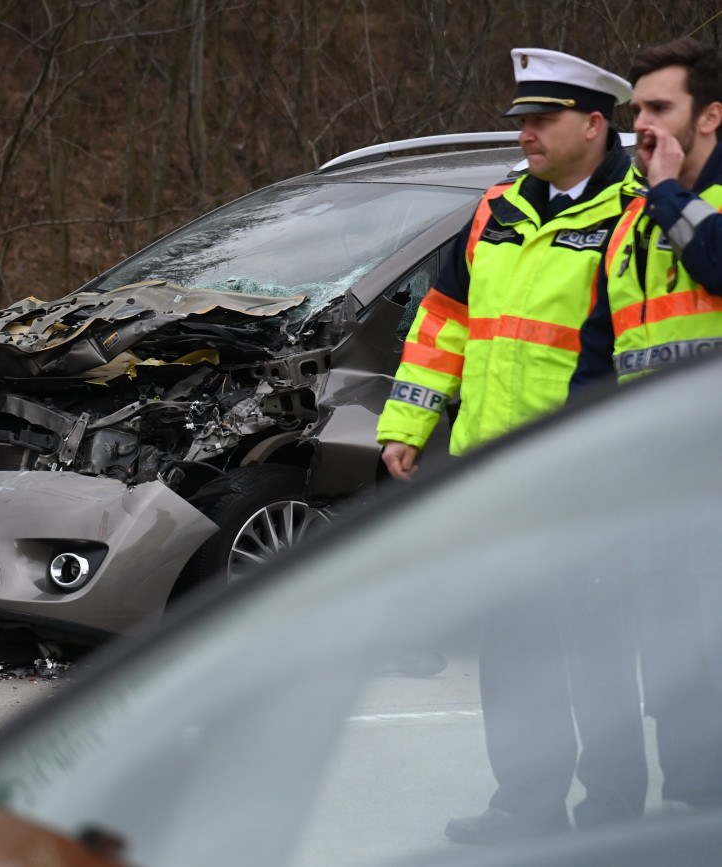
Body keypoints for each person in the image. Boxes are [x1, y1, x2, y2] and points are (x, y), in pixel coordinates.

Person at [375, 48, 648, 843]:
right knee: (514, 648)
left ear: (595, 124)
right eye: (521, 120)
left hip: (585, 477)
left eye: (542, 119)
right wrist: (407, 423)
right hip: (491, 473)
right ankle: (525, 804)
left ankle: (612, 815)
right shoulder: (497, 208)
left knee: (595, 652)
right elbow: (443, 322)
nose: (525, 133)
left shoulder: (636, 212)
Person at [570, 37, 722, 811]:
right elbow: (602, 356)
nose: (643, 128)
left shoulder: (671, 206)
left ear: (711, 117)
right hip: (654, 490)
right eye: (637, 112)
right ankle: (694, 814)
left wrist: (668, 196)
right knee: (674, 666)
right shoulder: (630, 226)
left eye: (660, 109)